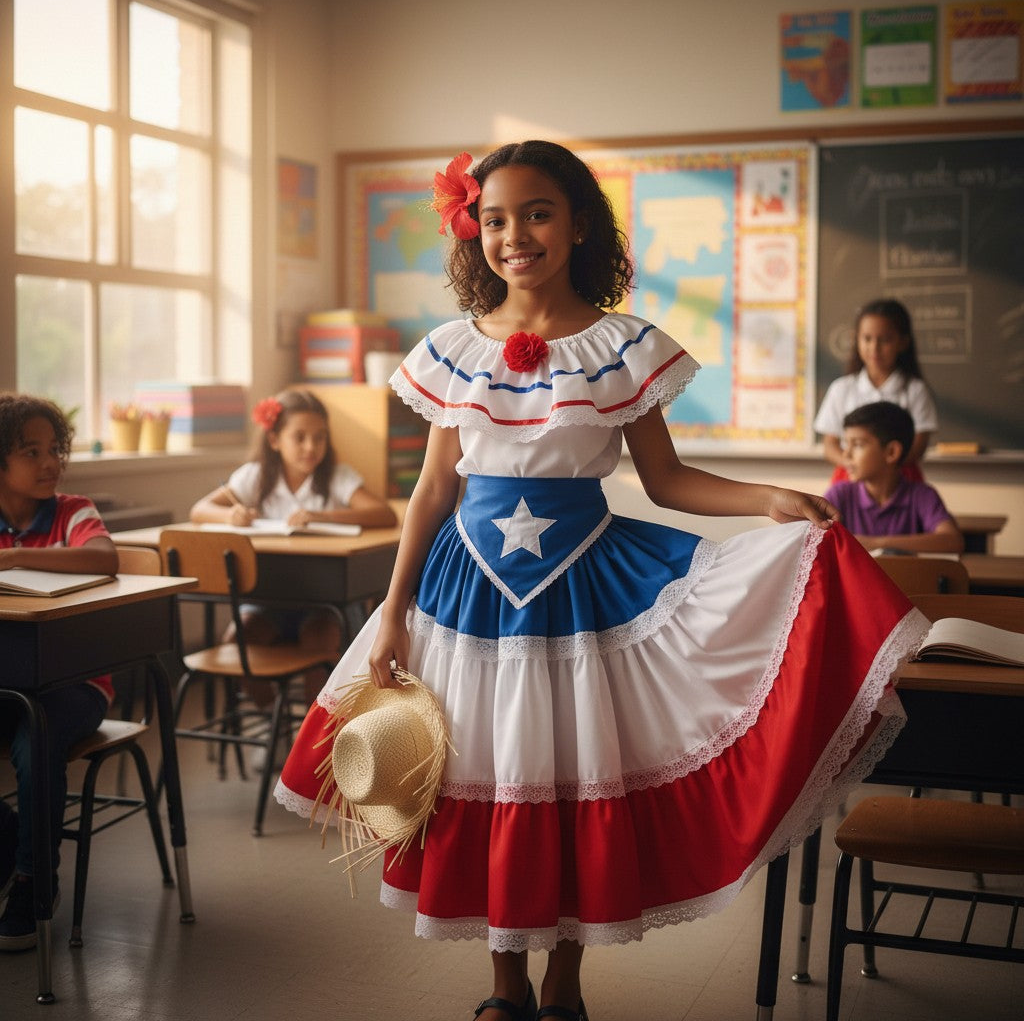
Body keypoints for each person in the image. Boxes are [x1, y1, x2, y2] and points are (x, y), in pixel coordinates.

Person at [274, 142, 928, 1021]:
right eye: (495, 219)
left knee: (572, 779)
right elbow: (434, 487)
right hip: (464, 598)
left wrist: (765, 497)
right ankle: (503, 988)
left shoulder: (623, 346)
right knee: (490, 773)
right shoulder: (452, 349)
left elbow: (667, 481)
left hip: (584, 595)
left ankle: (564, 986)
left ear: (579, 222)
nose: (516, 236)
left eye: (537, 213)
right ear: (475, 230)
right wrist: (391, 614)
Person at [0, 393, 119, 951]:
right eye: (31, 451)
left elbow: (102, 558)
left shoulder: (73, 510)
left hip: (76, 684)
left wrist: (13, 559)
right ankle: (6, 838)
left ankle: (33, 878)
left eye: (55, 450)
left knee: (37, 731)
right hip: (6, 684)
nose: (50, 463)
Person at [189, 388, 397, 706]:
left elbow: (382, 514)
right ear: (274, 441)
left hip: (326, 603)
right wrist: (232, 514)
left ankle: (312, 734)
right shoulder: (255, 477)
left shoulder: (337, 477)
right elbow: (199, 511)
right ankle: (273, 721)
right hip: (269, 600)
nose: (311, 447)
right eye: (299, 437)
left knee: (320, 645)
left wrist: (320, 516)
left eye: (319, 438)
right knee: (236, 641)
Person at [814, 298, 937, 484]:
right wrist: (854, 464)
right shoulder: (841, 389)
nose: (874, 348)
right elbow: (829, 445)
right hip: (851, 478)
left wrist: (883, 467)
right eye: (867, 338)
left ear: (903, 342)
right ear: (857, 340)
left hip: (900, 480)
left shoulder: (915, 390)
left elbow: (919, 445)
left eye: (885, 340)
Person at [825, 401, 963, 555]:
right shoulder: (840, 494)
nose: (846, 454)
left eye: (857, 445)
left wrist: (877, 544)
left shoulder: (922, 495)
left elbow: (952, 541)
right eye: (846, 444)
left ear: (891, 452)